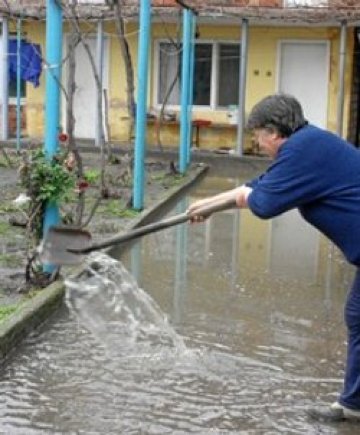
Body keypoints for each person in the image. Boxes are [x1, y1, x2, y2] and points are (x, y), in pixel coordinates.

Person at [187, 93, 360, 422]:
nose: (257, 143)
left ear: (275, 132)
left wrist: (215, 204)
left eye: (257, 136)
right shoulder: (308, 145)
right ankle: (353, 404)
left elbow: (264, 204)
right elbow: (261, 185)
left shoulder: (303, 149)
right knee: (358, 316)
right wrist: (208, 205)